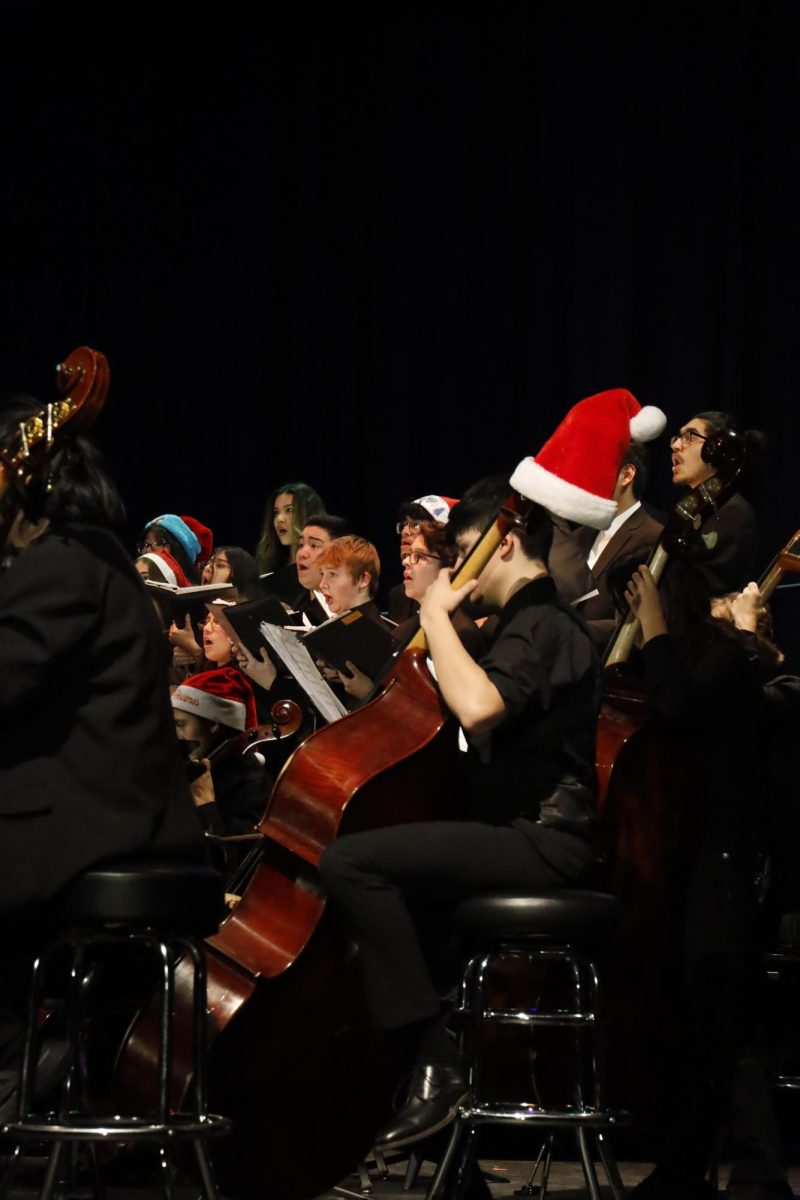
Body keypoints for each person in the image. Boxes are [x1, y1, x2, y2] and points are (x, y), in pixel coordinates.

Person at [0, 387, 206, 1103]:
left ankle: (33, 1072)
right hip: (98, 817)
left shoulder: (60, 564)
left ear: (20, 481)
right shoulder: (90, 556)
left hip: (95, 828)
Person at [623, 559, 790, 1200]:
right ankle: (702, 1167)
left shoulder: (725, 660)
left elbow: (678, 706)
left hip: (728, 857)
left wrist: (655, 627)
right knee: (709, 1014)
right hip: (702, 854)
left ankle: (754, 1173)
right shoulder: (708, 657)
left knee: (723, 1014)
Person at [172, 667, 272, 884]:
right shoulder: (189, 764)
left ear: (213, 724)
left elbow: (237, 862)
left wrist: (207, 805)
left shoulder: (250, 781)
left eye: (181, 725)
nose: (176, 736)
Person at [572, 442, 664, 650]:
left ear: (627, 475)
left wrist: (570, 631)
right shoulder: (580, 534)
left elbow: (636, 621)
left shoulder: (653, 536)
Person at [670, 411, 764, 595]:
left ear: (718, 448)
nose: (675, 445)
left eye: (689, 436)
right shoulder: (691, 509)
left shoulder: (733, 512)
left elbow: (704, 593)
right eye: (677, 437)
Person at [254, 482, 326, 575]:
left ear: (308, 514)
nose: (279, 519)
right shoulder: (271, 568)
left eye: (289, 510)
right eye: (276, 512)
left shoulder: (325, 568)